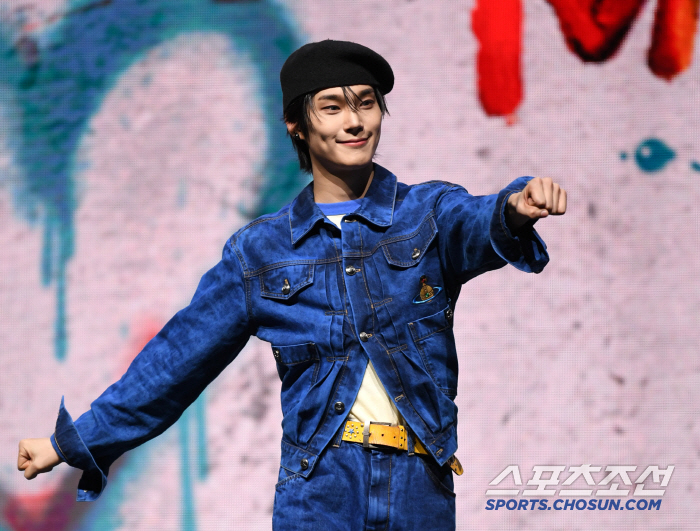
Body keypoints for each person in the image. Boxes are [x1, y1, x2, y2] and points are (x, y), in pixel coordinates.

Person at [18, 40, 566, 529]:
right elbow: (174, 362)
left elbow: (481, 219)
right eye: (332, 107)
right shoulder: (260, 252)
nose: (354, 121)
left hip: (418, 487)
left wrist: (517, 206)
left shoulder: (428, 212)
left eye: (366, 103)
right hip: (322, 489)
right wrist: (71, 443)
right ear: (296, 126)